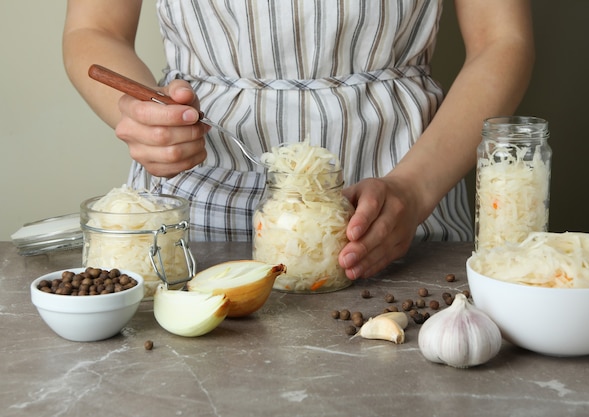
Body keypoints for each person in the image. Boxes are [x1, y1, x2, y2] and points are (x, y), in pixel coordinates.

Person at [63, 0, 534, 280]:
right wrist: (148, 118)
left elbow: (501, 40)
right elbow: (94, 29)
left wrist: (413, 190)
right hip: (194, 213)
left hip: (407, 205)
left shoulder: (412, 195)